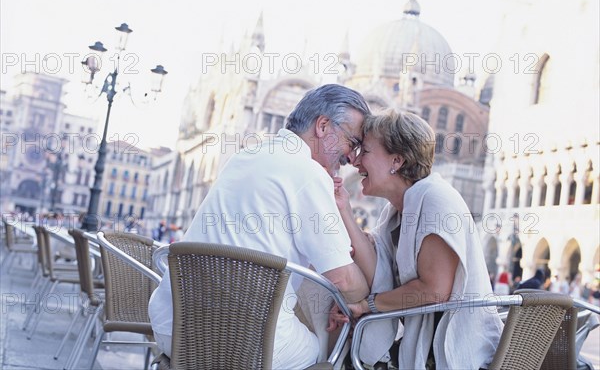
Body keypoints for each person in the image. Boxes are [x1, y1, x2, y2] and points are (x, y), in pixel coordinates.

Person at [148, 84, 371, 369]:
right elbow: (345, 280)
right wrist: (367, 294)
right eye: (352, 143)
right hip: (247, 348)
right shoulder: (309, 174)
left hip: (175, 330)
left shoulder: (245, 156)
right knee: (328, 351)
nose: (352, 158)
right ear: (323, 126)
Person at [329, 110, 503, 369]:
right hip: (427, 348)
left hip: (458, 355)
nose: (354, 161)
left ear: (396, 161)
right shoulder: (398, 210)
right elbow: (378, 263)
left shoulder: (435, 200)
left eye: (364, 151)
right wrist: (343, 208)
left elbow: (434, 291)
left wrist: (367, 305)